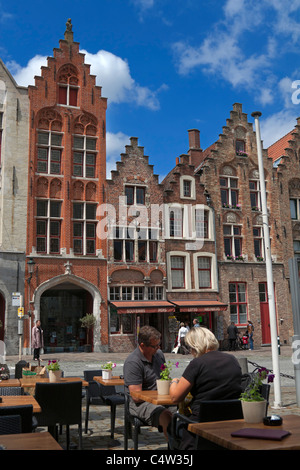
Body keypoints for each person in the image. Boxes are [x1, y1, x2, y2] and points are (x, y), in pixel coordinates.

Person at [169, 327, 242, 450]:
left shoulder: (197, 364)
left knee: (170, 426)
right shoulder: (232, 360)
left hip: (200, 425)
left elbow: (175, 397)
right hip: (230, 423)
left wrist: (173, 382)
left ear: (195, 345)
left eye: (190, 347)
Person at [124, 325, 176, 440]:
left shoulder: (159, 355)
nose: (158, 348)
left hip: (162, 399)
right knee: (166, 415)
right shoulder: (133, 362)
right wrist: (159, 396)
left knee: (184, 413)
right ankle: (174, 448)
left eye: (159, 344)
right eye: (154, 346)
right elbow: (136, 396)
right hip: (140, 404)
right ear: (142, 345)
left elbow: (165, 377)